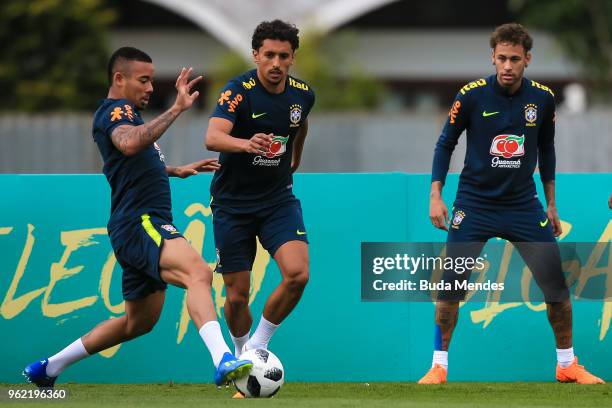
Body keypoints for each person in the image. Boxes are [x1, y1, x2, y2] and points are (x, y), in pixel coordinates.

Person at [23, 47, 251, 388]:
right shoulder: (115, 112)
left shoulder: (128, 116)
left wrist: (174, 169)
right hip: (142, 221)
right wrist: (176, 108)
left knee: (138, 322)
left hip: (135, 226)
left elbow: (130, 162)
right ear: (119, 78)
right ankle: (223, 359)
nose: (149, 87)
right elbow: (129, 145)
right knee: (198, 272)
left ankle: (48, 368)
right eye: (143, 80)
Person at [420, 23, 604, 384]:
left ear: (527, 60)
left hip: (523, 206)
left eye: (514, 59)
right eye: (501, 58)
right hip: (473, 205)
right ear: (492, 57)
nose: (507, 65)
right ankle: (438, 367)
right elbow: (445, 144)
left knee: (556, 289)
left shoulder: (543, 98)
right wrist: (435, 195)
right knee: (450, 288)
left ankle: (567, 364)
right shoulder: (470, 96)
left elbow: (547, 149)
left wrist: (551, 204)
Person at [204, 20, 314, 365]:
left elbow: (300, 122)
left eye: (284, 56)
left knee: (298, 275)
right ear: (256, 55)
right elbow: (213, 136)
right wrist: (245, 143)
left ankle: (257, 347)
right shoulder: (238, 90)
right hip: (232, 204)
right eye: (269, 55)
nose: (276, 63)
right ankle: (240, 354)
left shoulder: (303, 94)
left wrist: (295, 157)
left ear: (293, 57)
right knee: (237, 297)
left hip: (277, 200)